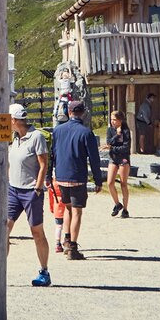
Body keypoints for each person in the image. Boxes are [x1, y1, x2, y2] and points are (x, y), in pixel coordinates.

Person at [3, 104, 51, 287]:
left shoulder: (36, 136)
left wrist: (37, 189)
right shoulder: (14, 139)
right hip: (13, 190)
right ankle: (0, 269)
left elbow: (43, 164)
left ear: (14, 121)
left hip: (31, 191)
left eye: (8, 120)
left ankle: (44, 271)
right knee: (4, 230)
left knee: (36, 232)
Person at [49, 101, 102, 261]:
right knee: (77, 211)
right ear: (83, 113)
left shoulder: (57, 130)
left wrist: (48, 175)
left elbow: (53, 154)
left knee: (67, 208)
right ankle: (73, 246)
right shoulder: (86, 133)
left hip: (61, 175)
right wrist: (98, 179)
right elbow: (94, 158)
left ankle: (66, 239)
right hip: (77, 176)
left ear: (69, 112)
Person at [106, 111, 132, 218]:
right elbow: (109, 142)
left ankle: (125, 209)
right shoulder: (110, 130)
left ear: (120, 120)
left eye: (115, 119)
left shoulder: (126, 131)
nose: (112, 121)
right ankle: (117, 204)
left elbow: (126, 147)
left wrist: (112, 148)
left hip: (124, 159)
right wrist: (116, 135)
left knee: (123, 184)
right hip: (113, 158)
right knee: (110, 183)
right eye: (111, 119)